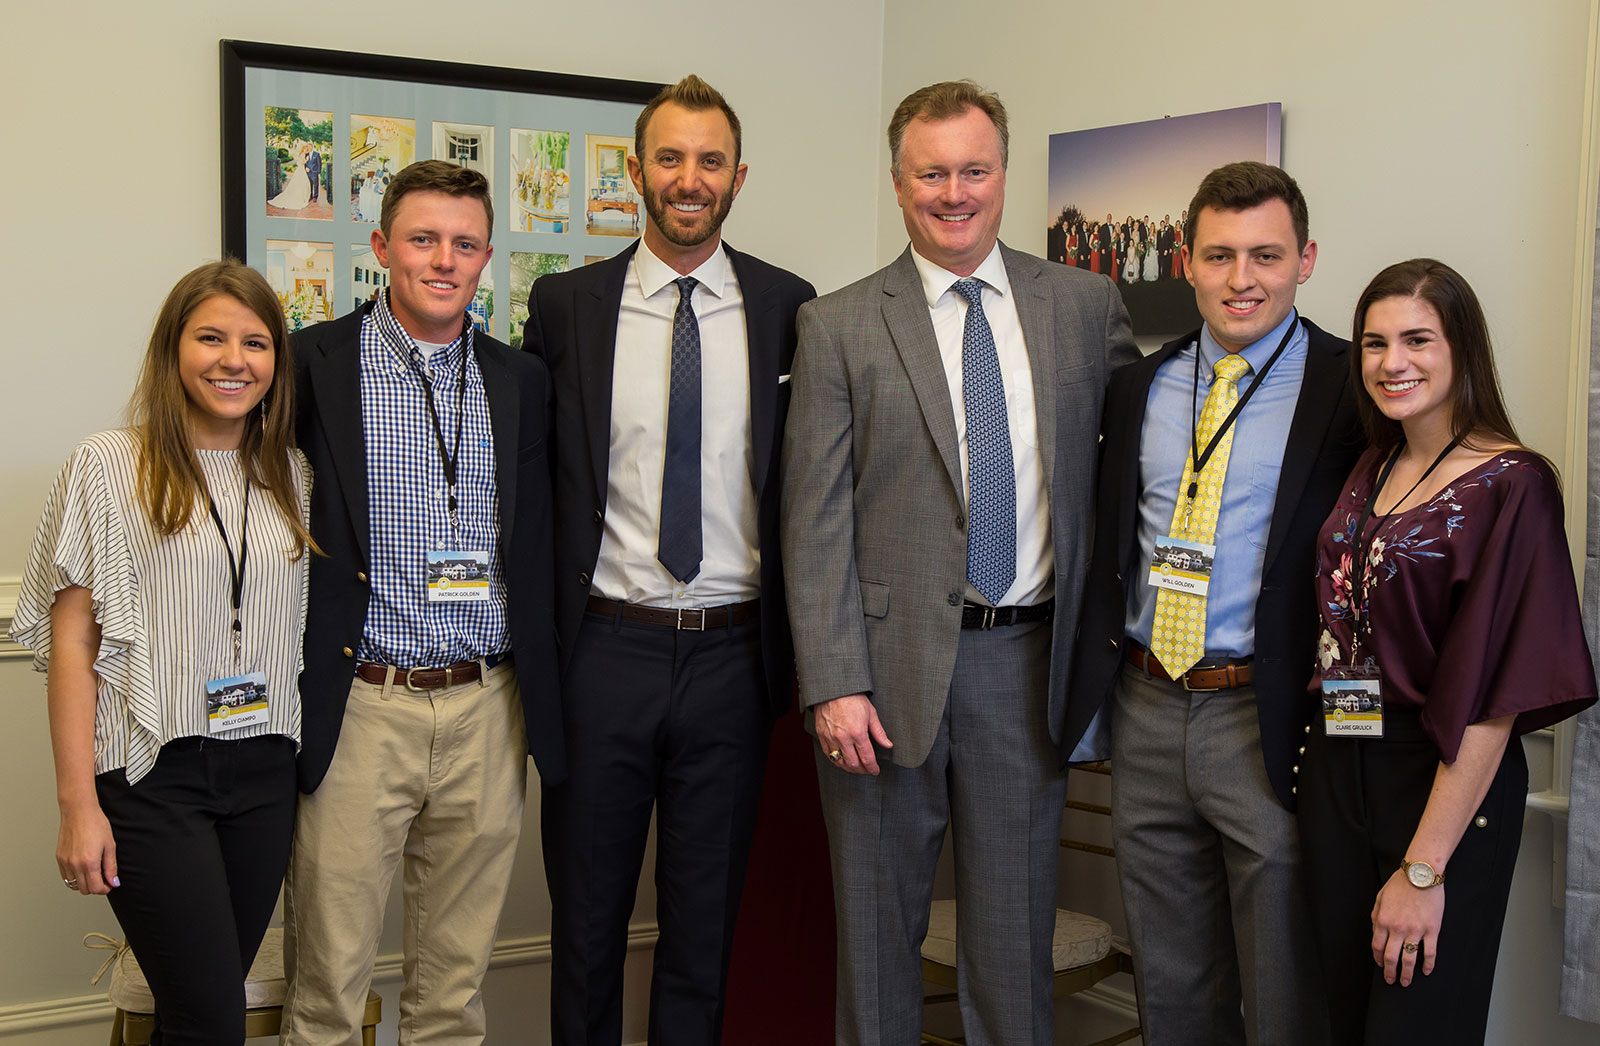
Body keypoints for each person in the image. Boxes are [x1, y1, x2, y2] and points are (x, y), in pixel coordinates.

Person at [783, 79, 1137, 1044]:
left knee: (1012, 950)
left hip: (1028, 666)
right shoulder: (840, 323)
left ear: (1004, 175)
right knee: (877, 942)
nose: (954, 193)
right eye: (931, 173)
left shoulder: (1084, 306)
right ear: (899, 184)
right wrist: (834, 682)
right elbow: (812, 519)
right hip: (879, 679)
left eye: (973, 170)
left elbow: (1122, 485)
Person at [523, 73, 815, 1046]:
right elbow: (532, 485)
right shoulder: (566, 305)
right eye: (671, 157)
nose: (690, 178)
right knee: (587, 931)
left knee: (703, 937)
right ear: (635, 169)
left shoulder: (789, 308)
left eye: (711, 160)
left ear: (739, 176)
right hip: (603, 653)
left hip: (734, 659)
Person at [1063, 161, 1364, 1045]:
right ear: (1185, 261)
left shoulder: (1354, 388)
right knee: (1172, 984)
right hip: (1147, 704)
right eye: (1220, 255)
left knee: (1283, 986)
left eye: (1266, 255)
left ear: (1306, 260)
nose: (1242, 279)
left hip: (1267, 715)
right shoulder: (1139, 387)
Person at [278, 159, 559, 1045]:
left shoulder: (522, 380)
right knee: (329, 987)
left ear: (486, 259)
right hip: (362, 702)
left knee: (452, 994)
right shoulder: (309, 364)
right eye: (424, 239)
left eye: (465, 245)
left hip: (488, 706)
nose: (445, 260)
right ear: (380, 246)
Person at [12, 260, 314, 1044]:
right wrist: (77, 806)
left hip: (265, 772)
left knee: (199, 1011)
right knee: (209, 1017)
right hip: (150, 775)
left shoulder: (292, 472)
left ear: (276, 361)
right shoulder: (109, 464)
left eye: (255, 343)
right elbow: (72, 641)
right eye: (210, 338)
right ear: (172, 348)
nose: (233, 360)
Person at [1299, 258, 1597, 1044]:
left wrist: (1424, 867)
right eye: (1374, 343)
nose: (1391, 362)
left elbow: (1498, 698)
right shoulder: (1373, 463)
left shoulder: (1514, 485)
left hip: (1437, 777)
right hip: (1339, 763)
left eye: (1417, 340)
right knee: (1342, 1019)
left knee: (1416, 1025)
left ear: (1461, 347)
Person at [270, 142, 313, 211]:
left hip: (300, 170)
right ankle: (300, 197)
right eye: (306, 149)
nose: (306, 150)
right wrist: (306, 160)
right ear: (303, 149)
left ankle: (303, 196)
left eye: (307, 149)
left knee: (302, 183)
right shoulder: (303, 155)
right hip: (301, 170)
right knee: (303, 183)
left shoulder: (302, 154)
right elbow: (301, 163)